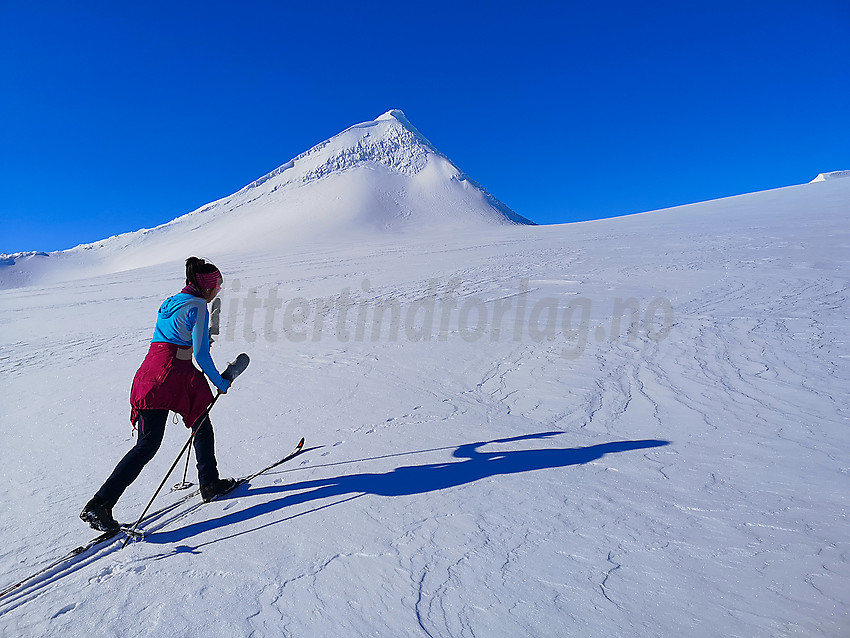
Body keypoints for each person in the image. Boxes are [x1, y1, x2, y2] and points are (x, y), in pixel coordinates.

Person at [80, 257, 237, 532]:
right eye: (218, 286)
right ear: (207, 287)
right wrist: (219, 382)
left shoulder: (170, 301)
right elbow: (200, 353)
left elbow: (174, 336)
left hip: (149, 374)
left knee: (147, 445)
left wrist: (195, 339)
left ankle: (100, 504)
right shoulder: (199, 306)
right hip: (173, 375)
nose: (218, 292)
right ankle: (210, 484)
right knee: (201, 423)